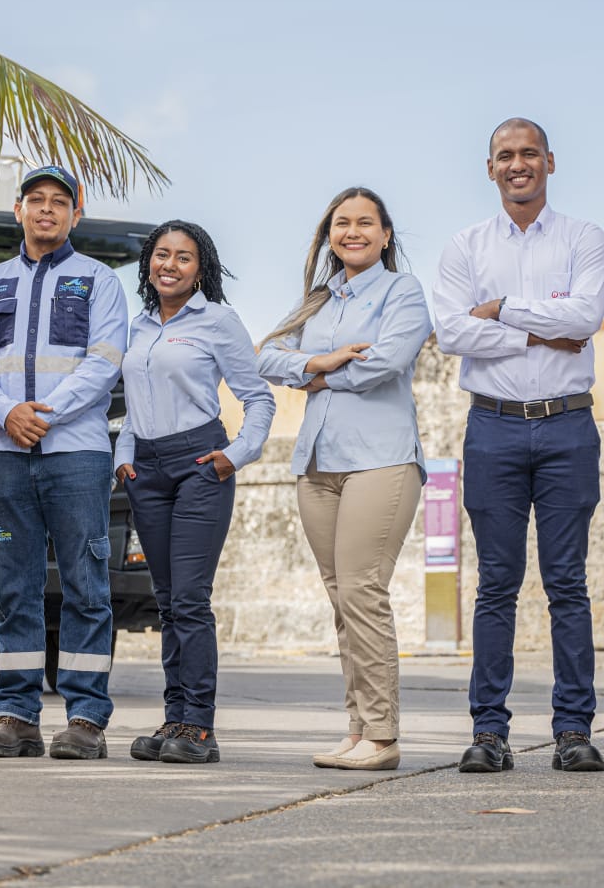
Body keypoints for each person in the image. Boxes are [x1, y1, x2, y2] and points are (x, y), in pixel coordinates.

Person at [433, 118, 604, 774]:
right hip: (494, 427)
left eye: (529, 153)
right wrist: (542, 329)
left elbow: (586, 320)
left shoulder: (584, 238)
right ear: (490, 168)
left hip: (567, 426)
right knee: (497, 586)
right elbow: (452, 333)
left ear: (550, 162)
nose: (518, 164)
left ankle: (573, 731)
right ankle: (489, 731)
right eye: (505, 155)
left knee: (567, 583)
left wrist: (502, 308)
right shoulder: (464, 246)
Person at [258, 188, 432, 772]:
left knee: (362, 591)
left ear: (386, 235)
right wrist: (318, 362)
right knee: (342, 600)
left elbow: (387, 361)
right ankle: (359, 728)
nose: (352, 231)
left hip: (380, 460)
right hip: (317, 465)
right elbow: (266, 356)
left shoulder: (402, 291)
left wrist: (318, 378)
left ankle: (382, 735)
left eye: (365, 223)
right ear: (328, 235)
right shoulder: (318, 301)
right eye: (341, 223)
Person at [0, 165, 129, 761]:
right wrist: (7, 414)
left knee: (87, 583)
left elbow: (105, 361)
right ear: (18, 210)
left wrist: (45, 414)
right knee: (15, 587)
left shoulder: (100, 281)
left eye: (60, 202)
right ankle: (16, 716)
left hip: (77, 453)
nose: (47, 210)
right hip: (8, 453)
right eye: (37, 200)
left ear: (75, 215)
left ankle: (85, 719)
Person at [114, 221, 275, 765]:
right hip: (147, 471)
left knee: (189, 599)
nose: (170, 265)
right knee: (166, 602)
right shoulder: (135, 327)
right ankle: (173, 718)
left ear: (200, 268)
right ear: (148, 263)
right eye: (162, 255)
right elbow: (135, 405)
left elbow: (259, 399)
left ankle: (199, 727)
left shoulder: (218, 321)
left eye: (184, 258)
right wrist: (124, 458)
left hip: (200, 464)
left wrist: (235, 455)